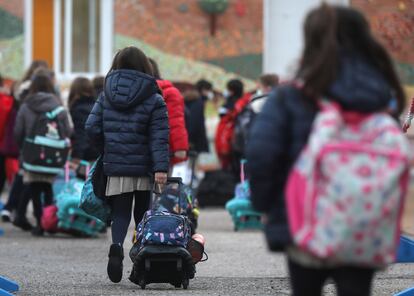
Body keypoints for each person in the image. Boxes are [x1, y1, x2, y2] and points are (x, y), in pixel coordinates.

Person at [247, 4, 405, 296]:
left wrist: (266, 204)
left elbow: (261, 155)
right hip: (364, 218)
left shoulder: (290, 97)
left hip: (303, 218)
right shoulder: (381, 96)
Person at [85, 46, 169, 283]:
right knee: (142, 213)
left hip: (116, 163)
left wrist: (106, 147)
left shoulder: (106, 94)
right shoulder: (154, 97)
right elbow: (159, 137)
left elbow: (91, 127)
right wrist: (161, 168)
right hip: (144, 166)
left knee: (120, 212)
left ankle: (115, 247)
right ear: (145, 66)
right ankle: (140, 257)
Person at [13, 71, 72, 236]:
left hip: (32, 154)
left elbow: (18, 131)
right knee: (47, 187)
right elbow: (67, 131)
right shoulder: (58, 106)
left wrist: (24, 148)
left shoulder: (26, 106)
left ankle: (39, 222)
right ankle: (49, 221)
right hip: (53, 155)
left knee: (33, 187)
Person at [149, 58, 189, 166]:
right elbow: (176, 121)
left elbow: (175, 121)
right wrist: (179, 148)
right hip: (164, 149)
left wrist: (180, 148)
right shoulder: (170, 92)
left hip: (156, 150)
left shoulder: (168, 92)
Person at [68, 77, 99, 168]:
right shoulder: (97, 105)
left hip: (87, 154)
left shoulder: (79, 108)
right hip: (98, 151)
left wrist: (76, 156)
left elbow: (82, 134)